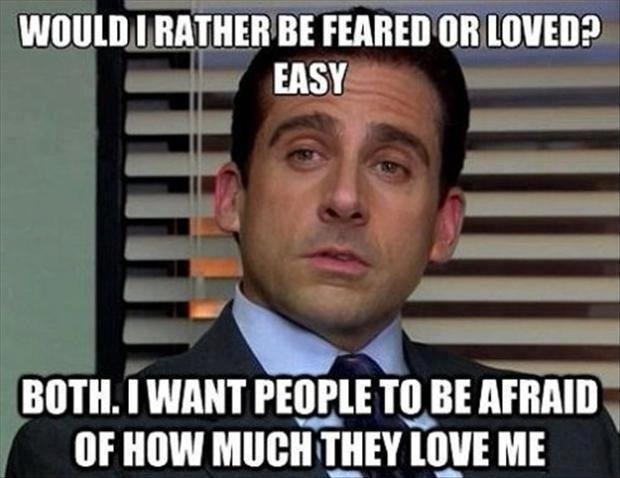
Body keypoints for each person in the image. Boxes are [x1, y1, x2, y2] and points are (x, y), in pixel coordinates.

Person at [6, 7, 619, 478]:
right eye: (305, 153)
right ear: (232, 198)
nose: (345, 198)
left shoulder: (575, 442)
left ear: (444, 225)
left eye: (390, 165)